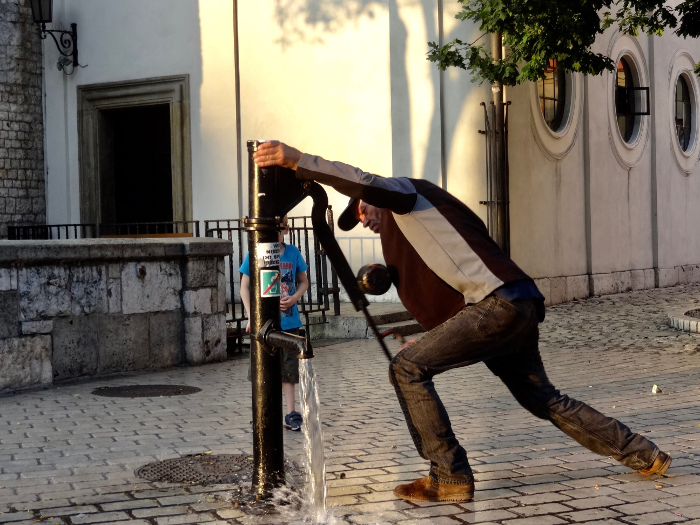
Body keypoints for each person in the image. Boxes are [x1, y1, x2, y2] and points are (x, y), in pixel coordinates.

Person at [252, 140, 672, 502]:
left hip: (495, 305)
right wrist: (419, 324)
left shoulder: (406, 194)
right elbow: (447, 280)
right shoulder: (418, 228)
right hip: (516, 302)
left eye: (362, 208)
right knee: (543, 399)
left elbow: (362, 180)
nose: (361, 218)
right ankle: (643, 453)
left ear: (375, 196)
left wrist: (299, 161)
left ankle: (449, 476)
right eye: (356, 219)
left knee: (406, 369)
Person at [239, 216, 310, 431]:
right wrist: (251, 316)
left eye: (278, 230)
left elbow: (303, 281)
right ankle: (262, 411)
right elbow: (244, 287)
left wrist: (294, 298)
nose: (275, 234)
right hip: (263, 323)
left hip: (289, 321)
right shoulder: (255, 252)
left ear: (286, 229)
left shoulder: (293, 252)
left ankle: (291, 412)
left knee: (289, 371)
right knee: (262, 371)